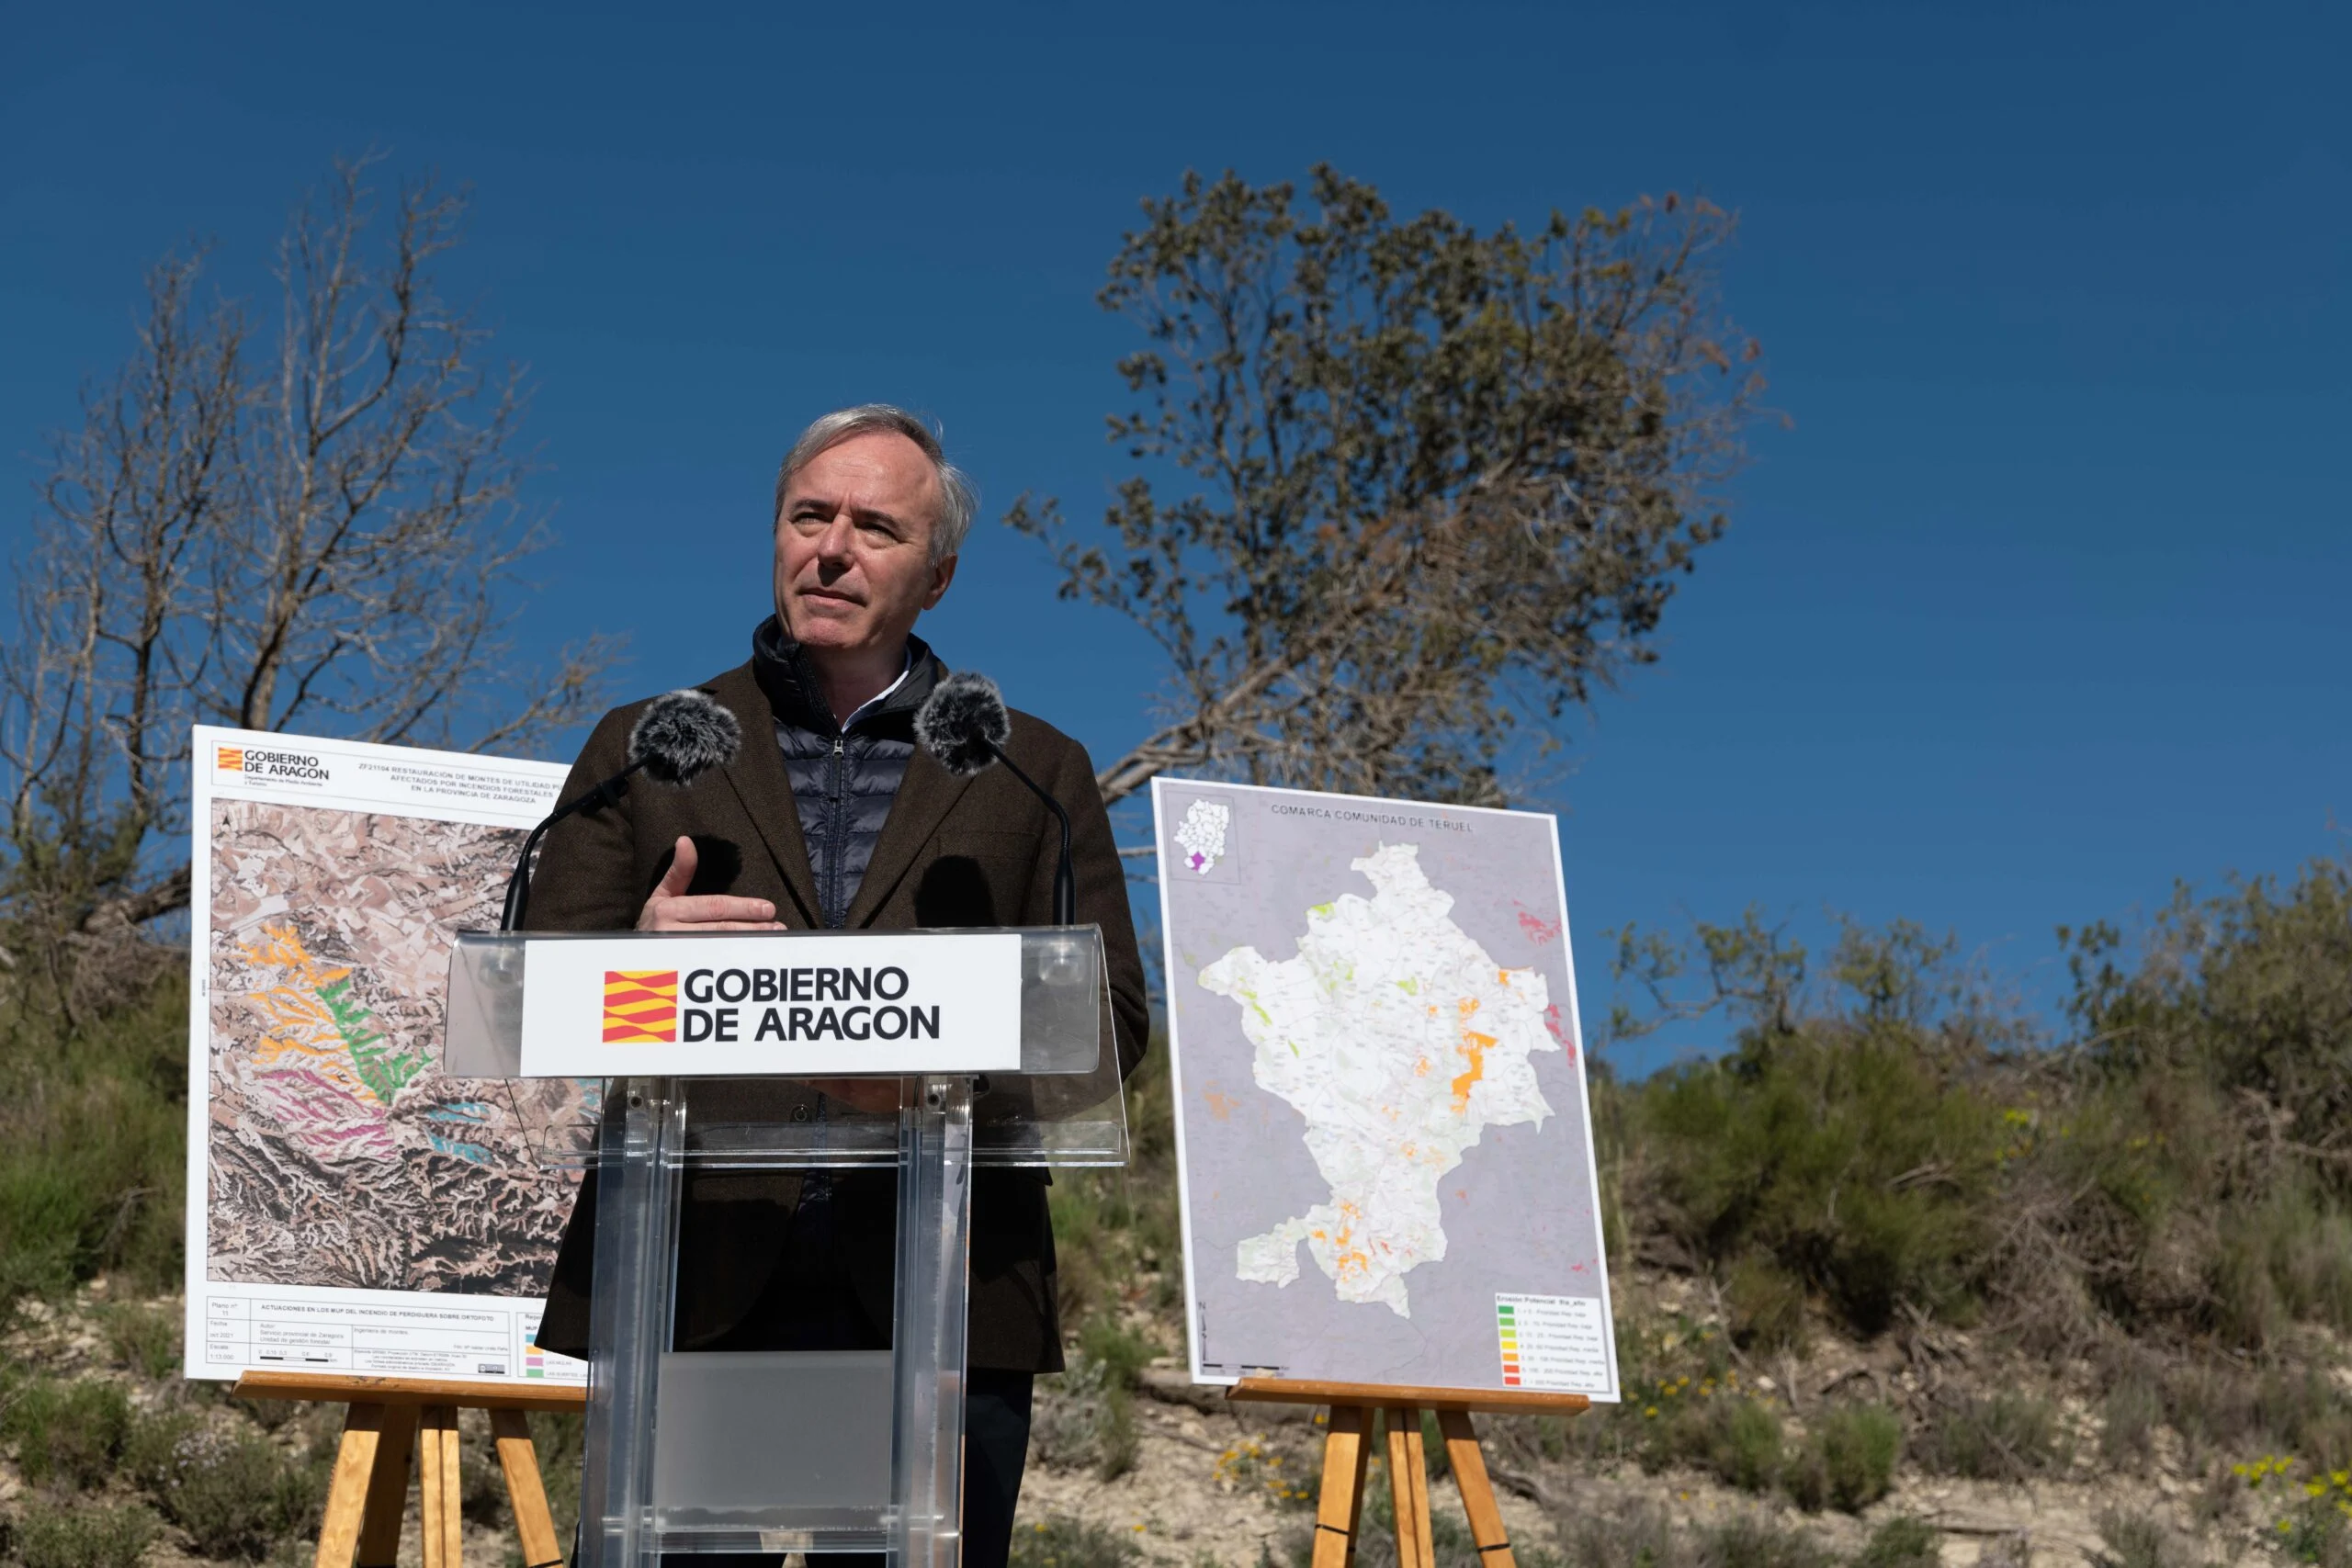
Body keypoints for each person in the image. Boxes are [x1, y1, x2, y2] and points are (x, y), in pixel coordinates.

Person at [526, 404, 1150, 1568]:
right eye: (809, 516)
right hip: (694, 1265)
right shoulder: (645, 747)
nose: (833, 547)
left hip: (944, 1285)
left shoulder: (1033, 771)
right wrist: (637, 962)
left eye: (875, 527)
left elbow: (1108, 1026)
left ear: (939, 575)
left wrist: (926, 1074)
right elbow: (542, 985)